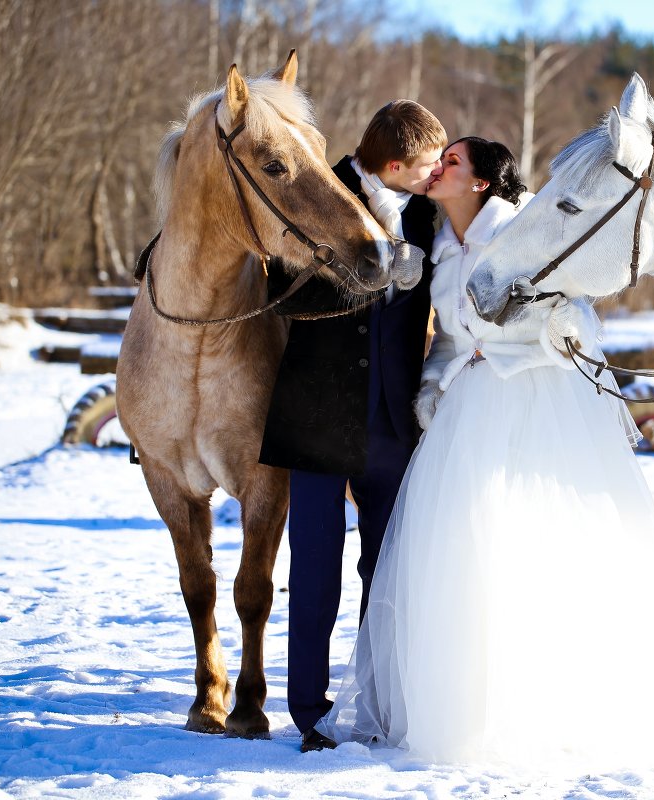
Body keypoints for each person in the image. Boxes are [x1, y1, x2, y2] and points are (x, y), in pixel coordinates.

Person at [314, 137, 654, 771]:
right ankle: (461, 702)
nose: (438, 169)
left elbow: (573, 323)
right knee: (461, 552)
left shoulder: (523, 229)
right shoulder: (436, 244)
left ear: (483, 183)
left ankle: (553, 701)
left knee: (528, 544)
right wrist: (433, 391)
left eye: (452, 162)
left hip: (531, 403)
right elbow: (445, 339)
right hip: (463, 407)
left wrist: (505, 352)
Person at [258, 100, 446, 753]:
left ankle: (379, 702)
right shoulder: (318, 189)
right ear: (393, 164)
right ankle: (311, 714)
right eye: (427, 166)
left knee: (388, 571)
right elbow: (279, 292)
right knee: (315, 574)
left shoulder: (428, 213)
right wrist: (367, 277)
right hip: (317, 417)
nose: (436, 175)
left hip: (396, 423)